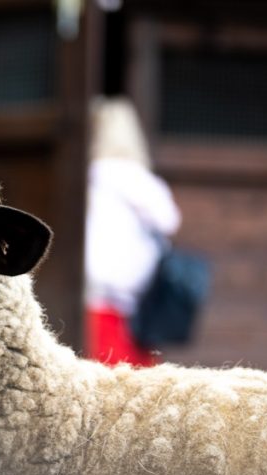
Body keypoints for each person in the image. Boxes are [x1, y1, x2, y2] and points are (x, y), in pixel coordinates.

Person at [85, 96, 182, 367]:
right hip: (130, 299)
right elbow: (169, 219)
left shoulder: (90, 178)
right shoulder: (139, 180)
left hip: (97, 294)